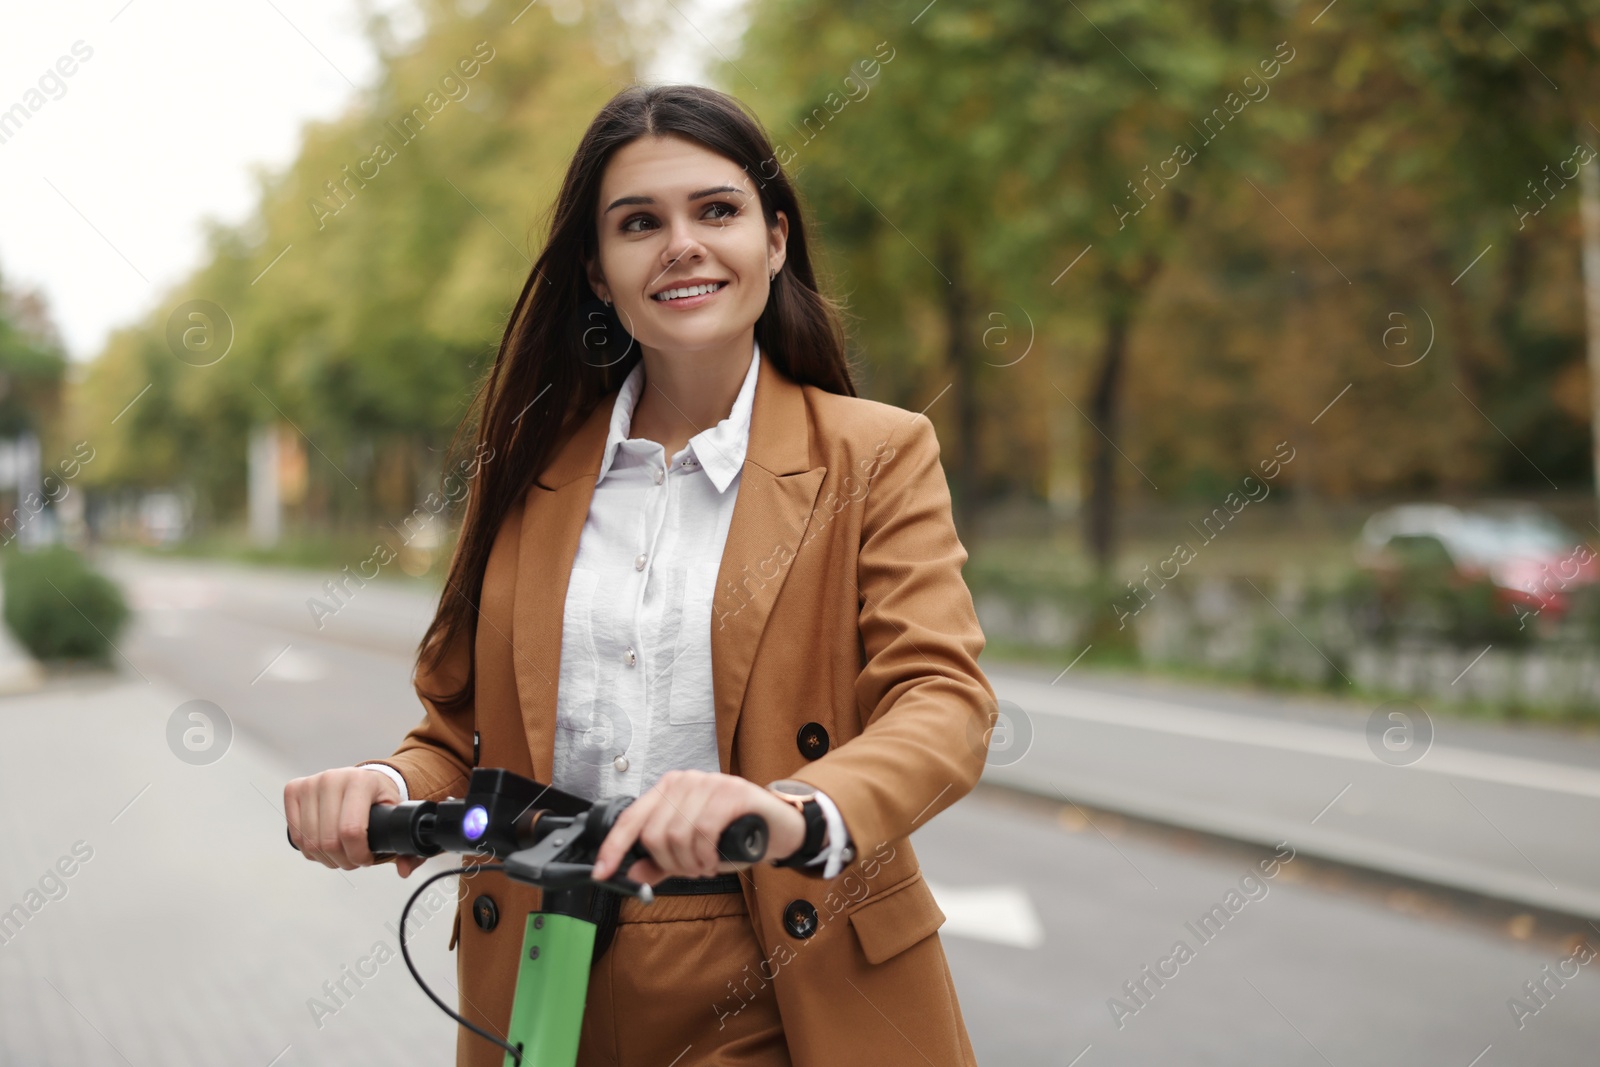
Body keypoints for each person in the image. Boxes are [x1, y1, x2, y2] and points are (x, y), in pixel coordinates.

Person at [283, 83, 997, 1067]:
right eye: (637, 223)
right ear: (597, 267)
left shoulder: (874, 455)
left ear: (774, 240)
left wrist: (786, 809)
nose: (681, 244)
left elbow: (942, 701)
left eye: (716, 210)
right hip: (545, 965)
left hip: (783, 971)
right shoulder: (526, 473)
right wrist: (384, 782)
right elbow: (460, 733)